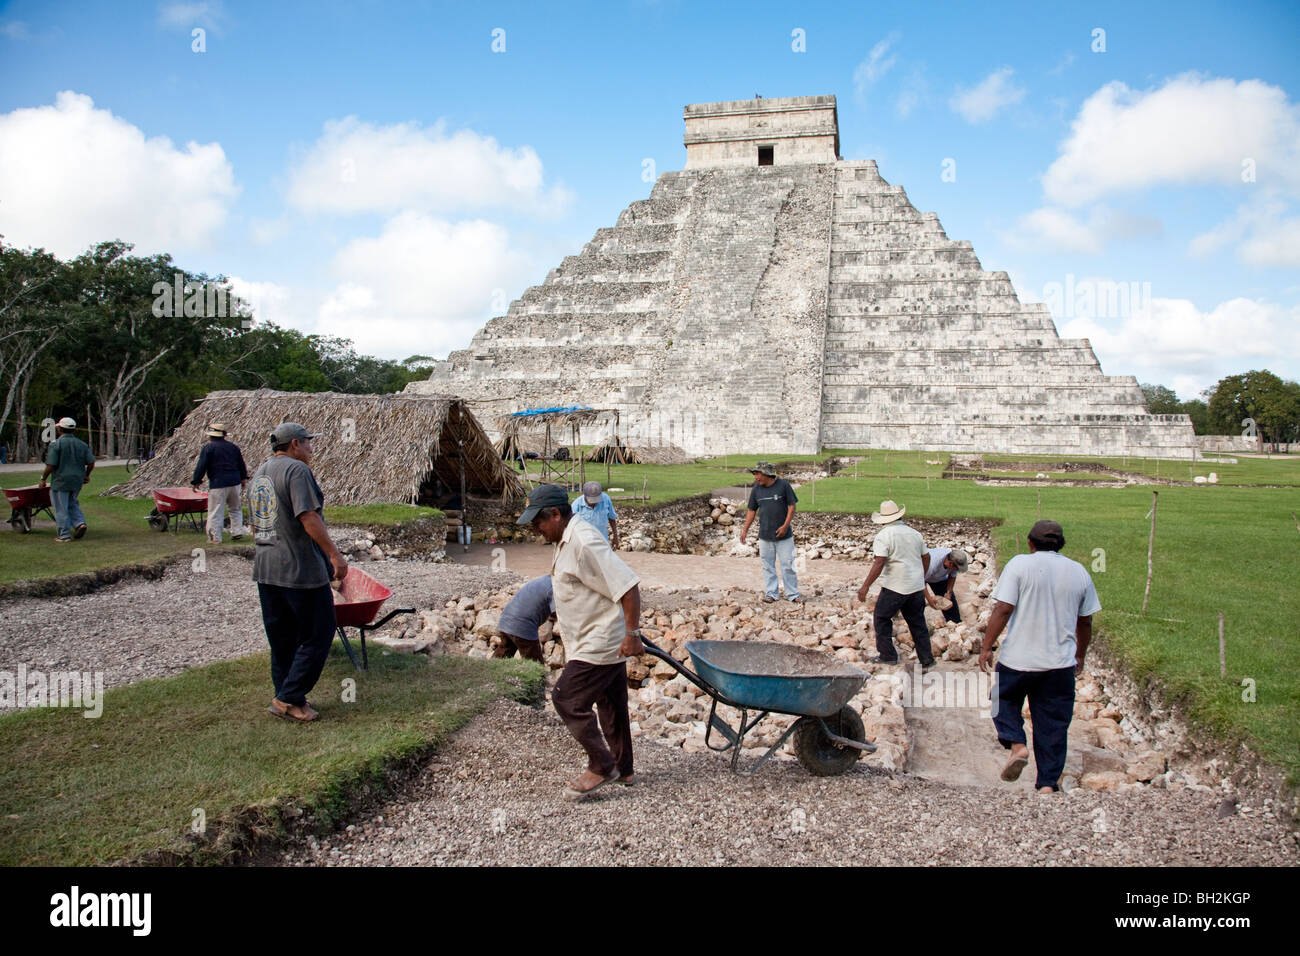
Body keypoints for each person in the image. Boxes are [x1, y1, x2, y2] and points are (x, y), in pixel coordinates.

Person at [518, 483, 643, 799]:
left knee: (566, 698)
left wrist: (632, 634)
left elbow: (628, 586)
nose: (537, 530)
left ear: (556, 514)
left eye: (538, 523)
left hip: (600, 640)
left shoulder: (584, 541)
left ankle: (601, 765)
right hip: (593, 635)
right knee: (611, 703)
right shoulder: (565, 539)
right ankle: (623, 768)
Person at [978, 519, 1100, 794]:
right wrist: (1080, 654)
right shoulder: (1079, 572)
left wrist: (987, 646)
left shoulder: (1019, 565)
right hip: (1059, 664)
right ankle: (1046, 784)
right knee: (1053, 724)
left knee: (1002, 700)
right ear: (1061, 545)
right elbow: (1086, 621)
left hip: (1018, 659)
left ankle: (1017, 745)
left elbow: (1003, 609)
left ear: (1031, 544)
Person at [248, 422, 348, 723]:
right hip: (298, 569)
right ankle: (289, 697)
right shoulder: (297, 471)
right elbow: (309, 517)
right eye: (307, 442)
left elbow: (254, 525)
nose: (310, 448)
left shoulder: (260, 474)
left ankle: (288, 696)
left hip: (266, 568)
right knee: (319, 633)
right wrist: (334, 554)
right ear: (294, 445)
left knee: (282, 637)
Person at [855, 499, 936, 670]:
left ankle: (888, 655)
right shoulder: (915, 533)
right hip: (915, 586)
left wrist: (865, 586)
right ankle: (927, 658)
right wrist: (921, 575)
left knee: (882, 617)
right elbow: (926, 557)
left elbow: (879, 562)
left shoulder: (884, 536)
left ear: (884, 519)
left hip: (895, 586)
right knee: (917, 622)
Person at [738, 461, 801, 604]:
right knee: (767, 565)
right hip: (765, 535)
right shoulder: (756, 490)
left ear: (767, 474)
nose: (756, 477)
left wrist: (785, 526)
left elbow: (792, 507)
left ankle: (792, 594)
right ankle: (771, 593)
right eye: (754, 474)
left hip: (784, 536)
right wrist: (744, 531)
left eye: (758, 474)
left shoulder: (783, 485)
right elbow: (751, 511)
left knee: (788, 565)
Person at [190, 421, 249, 544]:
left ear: (211, 435)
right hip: (235, 481)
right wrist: (243, 478)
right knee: (235, 508)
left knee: (216, 510)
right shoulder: (233, 447)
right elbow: (241, 464)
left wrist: (196, 481)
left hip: (218, 482)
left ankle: (215, 537)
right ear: (224, 435)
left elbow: (202, 466)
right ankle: (237, 531)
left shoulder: (209, 448)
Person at [39, 417, 95, 543]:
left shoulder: (56, 444)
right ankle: (80, 523)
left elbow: (51, 465)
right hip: (77, 481)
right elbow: (91, 462)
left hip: (61, 480)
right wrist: (86, 475)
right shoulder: (82, 444)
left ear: (59, 429)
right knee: (72, 503)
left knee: (60, 507)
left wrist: (43, 479)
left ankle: (64, 535)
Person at [494, 575, 555, 664]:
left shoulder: (545, 579)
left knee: (504, 653)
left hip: (505, 620)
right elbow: (558, 613)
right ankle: (538, 678)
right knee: (535, 664)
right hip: (523, 627)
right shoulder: (555, 587)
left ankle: (487, 674)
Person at [923, 546, 970, 623]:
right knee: (918, 601)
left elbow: (952, 576)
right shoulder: (932, 563)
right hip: (920, 574)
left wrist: (948, 592)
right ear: (950, 564)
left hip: (938, 578)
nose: (957, 571)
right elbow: (921, 581)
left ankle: (954, 623)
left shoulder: (954, 561)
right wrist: (929, 599)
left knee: (949, 602)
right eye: (957, 569)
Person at [572, 480, 620, 548]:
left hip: (602, 543)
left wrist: (615, 536)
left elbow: (612, 518)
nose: (594, 503)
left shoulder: (606, 499)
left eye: (596, 499)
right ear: (585, 495)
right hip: (584, 545)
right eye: (591, 500)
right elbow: (570, 526)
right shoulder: (576, 505)